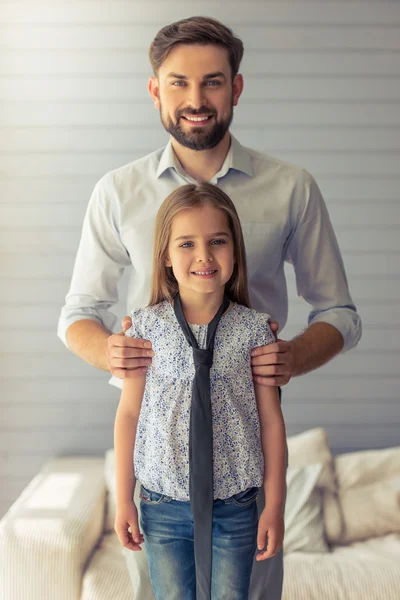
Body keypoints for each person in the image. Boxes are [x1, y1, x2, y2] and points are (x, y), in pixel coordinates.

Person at [58, 15, 362, 600]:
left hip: (247, 455)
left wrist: (291, 357)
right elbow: (77, 313)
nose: (195, 100)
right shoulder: (116, 192)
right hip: (157, 459)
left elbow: (340, 314)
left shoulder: (292, 187)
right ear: (155, 90)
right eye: (178, 83)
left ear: (237, 87)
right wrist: (111, 353)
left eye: (213, 82)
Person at [113, 182, 287, 600]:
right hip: (163, 503)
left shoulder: (255, 331)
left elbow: (270, 421)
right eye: (187, 243)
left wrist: (275, 505)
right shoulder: (145, 329)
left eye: (217, 241)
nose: (204, 255)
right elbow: (129, 416)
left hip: (235, 505)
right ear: (166, 257)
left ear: (234, 251)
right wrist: (124, 499)